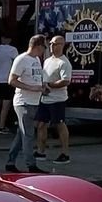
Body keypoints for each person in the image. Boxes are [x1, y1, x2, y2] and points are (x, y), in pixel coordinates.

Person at [5, 35, 48, 173]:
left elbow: (35, 78)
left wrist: (42, 87)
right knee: (28, 134)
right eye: (44, 47)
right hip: (23, 102)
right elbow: (11, 80)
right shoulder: (21, 59)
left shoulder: (36, 60)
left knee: (22, 133)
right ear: (38, 46)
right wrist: (32, 88)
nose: (44, 50)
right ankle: (31, 165)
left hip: (34, 101)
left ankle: (10, 162)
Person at [35, 35, 72, 164]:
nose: (52, 46)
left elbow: (65, 81)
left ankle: (65, 153)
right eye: (51, 43)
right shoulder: (47, 60)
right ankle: (40, 151)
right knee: (41, 125)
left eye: (55, 44)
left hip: (58, 100)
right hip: (45, 99)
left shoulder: (64, 62)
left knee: (60, 125)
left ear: (62, 45)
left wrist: (50, 85)